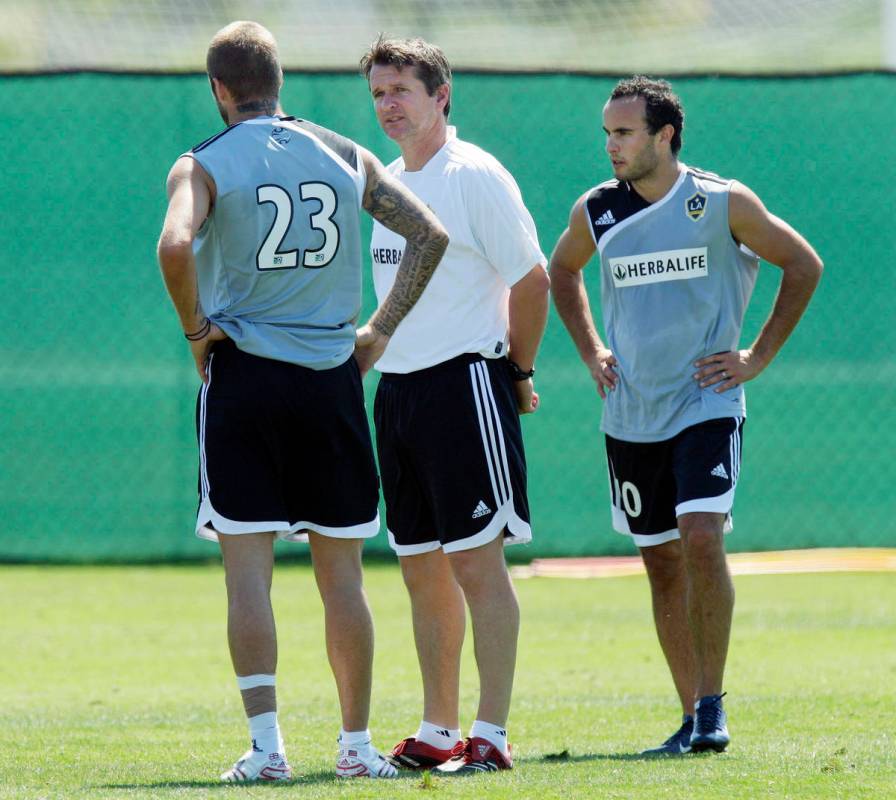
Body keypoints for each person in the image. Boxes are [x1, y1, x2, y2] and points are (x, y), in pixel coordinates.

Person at [156, 21, 449, 783]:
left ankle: (267, 749)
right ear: (278, 80)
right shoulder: (343, 151)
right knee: (343, 577)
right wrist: (377, 332)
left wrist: (196, 331)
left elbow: (176, 246)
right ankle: (355, 746)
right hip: (331, 380)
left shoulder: (202, 162)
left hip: (246, 377)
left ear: (219, 90)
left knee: (247, 574)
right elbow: (428, 235)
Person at [549, 76, 822, 755]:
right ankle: (688, 717)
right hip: (631, 411)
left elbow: (803, 264)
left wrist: (755, 355)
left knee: (701, 535)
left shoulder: (721, 202)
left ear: (664, 136)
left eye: (625, 133)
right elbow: (561, 272)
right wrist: (592, 352)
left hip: (707, 399)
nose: (612, 146)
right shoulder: (597, 211)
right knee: (661, 562)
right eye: (607, 134)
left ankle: (711, 705)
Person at [357, 36, 550, 776]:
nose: (389, 105)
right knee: (420, 569)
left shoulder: (473, 176)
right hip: (398, 392)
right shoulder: (384, 183)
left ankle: (490, 732)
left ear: (442, 94)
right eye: (378, 93)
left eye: (402, 89)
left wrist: (516, 369)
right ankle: (439, 729)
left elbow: (530, 280)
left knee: (477, 566)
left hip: (464, 384)